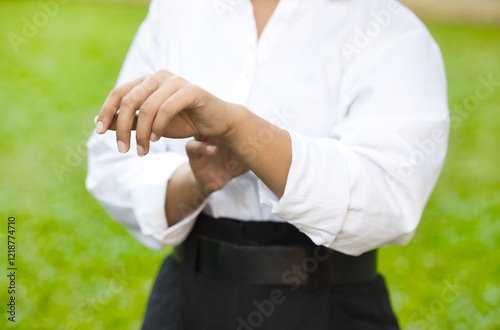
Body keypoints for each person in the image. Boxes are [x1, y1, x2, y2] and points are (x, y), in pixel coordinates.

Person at [86, 0, 449, 328]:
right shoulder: (179, 9)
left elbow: (387, 200)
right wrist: (197, 182)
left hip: (327, 306)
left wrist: (242, 131)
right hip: (186, 300)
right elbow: (113, 163)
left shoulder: (387, 27)